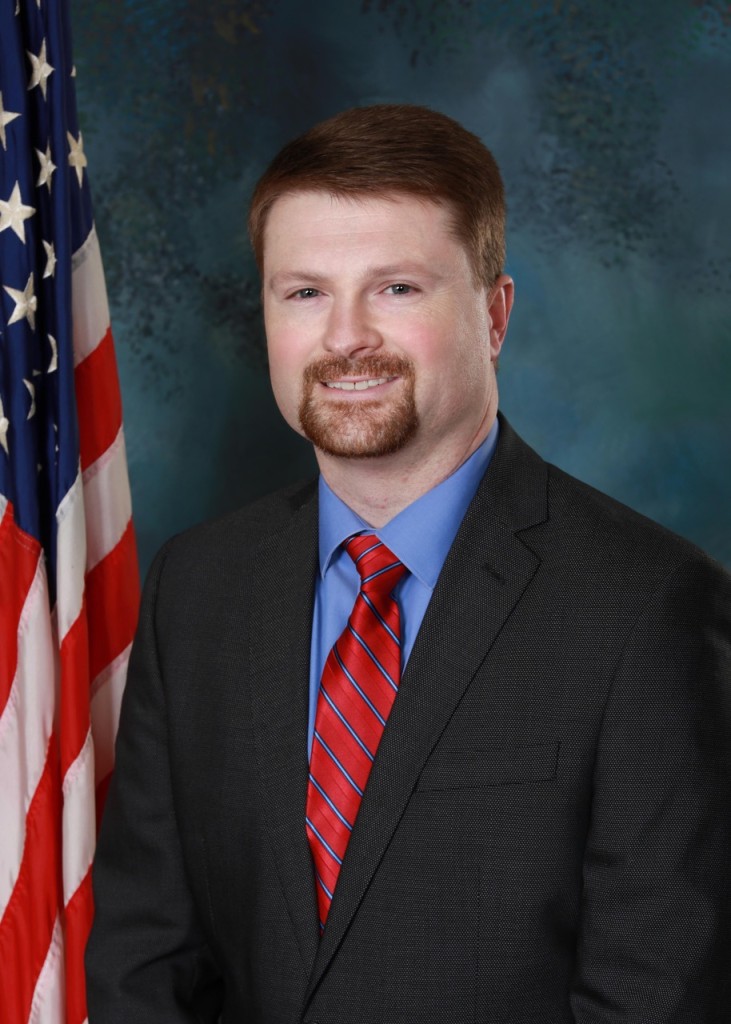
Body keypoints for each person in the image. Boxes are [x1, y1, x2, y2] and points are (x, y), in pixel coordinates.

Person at [86, 104, 731, 1023]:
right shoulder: (198, 590)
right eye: (303, 292)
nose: (345, 337)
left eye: (395, 288)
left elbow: (657, 996)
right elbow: (143, 966)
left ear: (495, 314)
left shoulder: (647, 605)